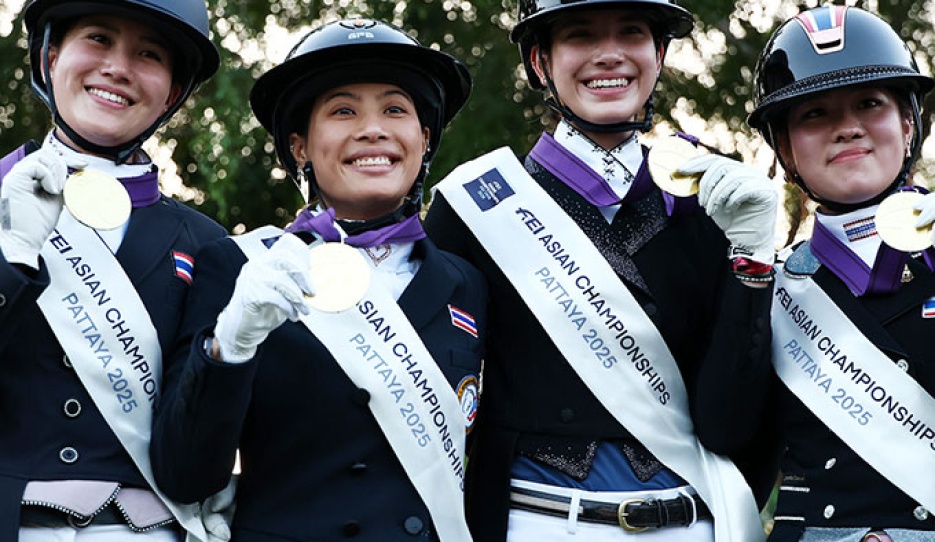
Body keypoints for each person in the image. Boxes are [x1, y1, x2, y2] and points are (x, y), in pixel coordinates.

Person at [423, 0, 781, 540]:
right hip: (535, 521)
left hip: (688, 521)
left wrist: (753, 253)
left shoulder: (713, 206)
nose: (609, 55)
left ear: (658, 54)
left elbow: (732, 426)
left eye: (632, 32)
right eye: (582, 35)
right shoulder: (477, 208)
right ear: (541, 62)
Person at [150, 18, 486, 542]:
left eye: (395, 109)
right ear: (301, 146)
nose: (372, 128)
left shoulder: (465, 281)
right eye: (343, 110)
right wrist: (229, 347)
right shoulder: (240, 267)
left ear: (422, 138)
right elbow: (185, 474)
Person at [0, 0, 225, 540]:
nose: (118, 68)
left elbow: (198, 446)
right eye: (98, 39)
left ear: (171, 92)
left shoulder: (207, 243)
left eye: (148, 54)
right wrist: (9, 260)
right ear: (50, 57)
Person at [748, 5, 935, 541]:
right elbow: (733, 443)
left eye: (869, 104)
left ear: (907, 123)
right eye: (814, 114)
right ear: (784, 147)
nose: (847, 127)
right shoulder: (769, 286)